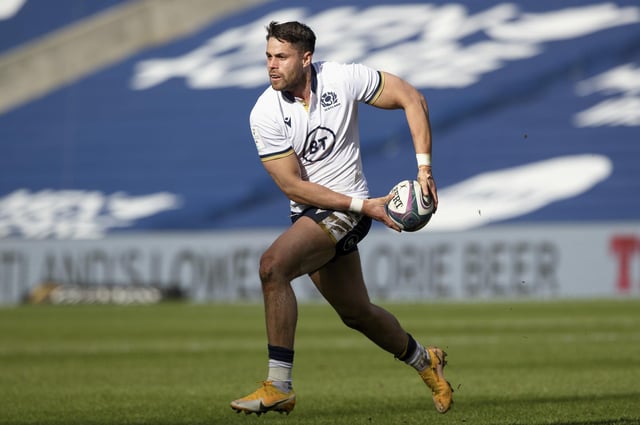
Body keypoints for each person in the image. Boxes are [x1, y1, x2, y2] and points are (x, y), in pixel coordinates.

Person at [230, 21, 452, 416]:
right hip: (320, 210)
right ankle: (425, 361)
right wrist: (364, 206)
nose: (271, 65)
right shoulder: (264, 112)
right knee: (357, 313)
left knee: (272, 267)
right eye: (268, 56)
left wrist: (424, 170)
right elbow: (294, 187)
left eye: (281, 57)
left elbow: (412, 98)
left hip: (347, 211)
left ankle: (278, 385)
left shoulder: (343, 78)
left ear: (306, 58)